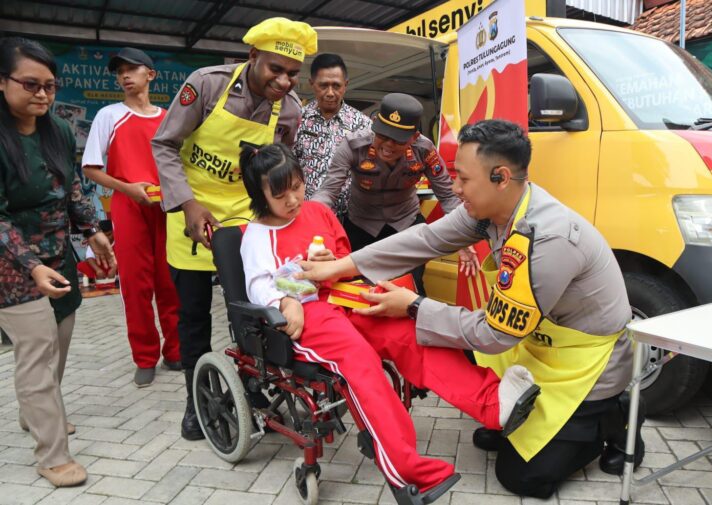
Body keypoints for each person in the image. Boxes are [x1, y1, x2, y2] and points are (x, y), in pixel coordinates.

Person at [299, 119, 642, 498]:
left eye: (463, 179)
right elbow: (425, 240)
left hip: (586, 364)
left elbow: (496, 334)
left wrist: (413, 306)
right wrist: (340, 267)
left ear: (501, 177)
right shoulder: (490, 211)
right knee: (455, 359)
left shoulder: (547, 240)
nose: (454, 190)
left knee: (522, 478)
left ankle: (617, 417)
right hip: (537, 343)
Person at [239, 143, 529, 494]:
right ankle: (407, 468)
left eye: (298, 187)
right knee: (361, 363)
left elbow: (345, 256)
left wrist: (331, 259)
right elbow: (258, 285)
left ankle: (493, 403)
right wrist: (285, 301)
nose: (293, 200)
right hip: (308, 313)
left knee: (409, 333)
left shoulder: (317, 211)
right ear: (260, 195)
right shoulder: (255, 237)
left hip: (343, 293)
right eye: (280, 194)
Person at [152, 17, 316, 441]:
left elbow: (275, 172)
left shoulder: (291, 110)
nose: (284, 81)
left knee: (249, 306)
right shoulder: (207, 85)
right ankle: (197, 397)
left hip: (244, 217)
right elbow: (164, 144)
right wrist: (188, 205)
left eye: (293, 74)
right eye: (275, 69)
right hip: (191, 213)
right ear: (253, 56)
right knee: (193, 315)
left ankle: (249, 385)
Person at [0, 37, 115, 487]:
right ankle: (52, 454)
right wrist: (30, 265)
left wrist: (94, 233)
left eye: (50, 85)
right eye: (30, 84)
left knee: (59, 342)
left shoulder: (59, 131)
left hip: (59, 255)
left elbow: (70, 191)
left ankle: (39, 411)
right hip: (11, 263)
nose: (43, 94)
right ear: (3, 82)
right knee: (36, 350)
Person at [82, 47, 181, 387]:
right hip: (128, 205)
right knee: (136, 285)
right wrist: (126, 189)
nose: (124, 76)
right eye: (119, 71)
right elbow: (91, 168)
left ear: (150, 75)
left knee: (169, 281)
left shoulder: (168, 117)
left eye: (132, 69)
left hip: (166, 206)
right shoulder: (109, 115)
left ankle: (176, 351)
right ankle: (145, 356)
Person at [312, 92, 476, 293]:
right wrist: (309, 220)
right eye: (383, 135)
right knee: (354, 289)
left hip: (405, 224)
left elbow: (448, 196)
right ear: (374, 125)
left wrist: (461, 236)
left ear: (414, 137)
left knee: (410, 288)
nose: (388, 145)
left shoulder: (424, 150)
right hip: (361, 225)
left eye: (398, 140)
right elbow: (328, 191)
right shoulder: (353, 145)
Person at [293, 53, 371, 217]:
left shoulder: (362, 124)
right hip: (306, 214)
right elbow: (289, 166)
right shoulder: (297, 119)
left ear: (345, 85)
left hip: (350, 218)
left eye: (336, 86)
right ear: (312, 84)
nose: (330, 92)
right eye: (323, 85)